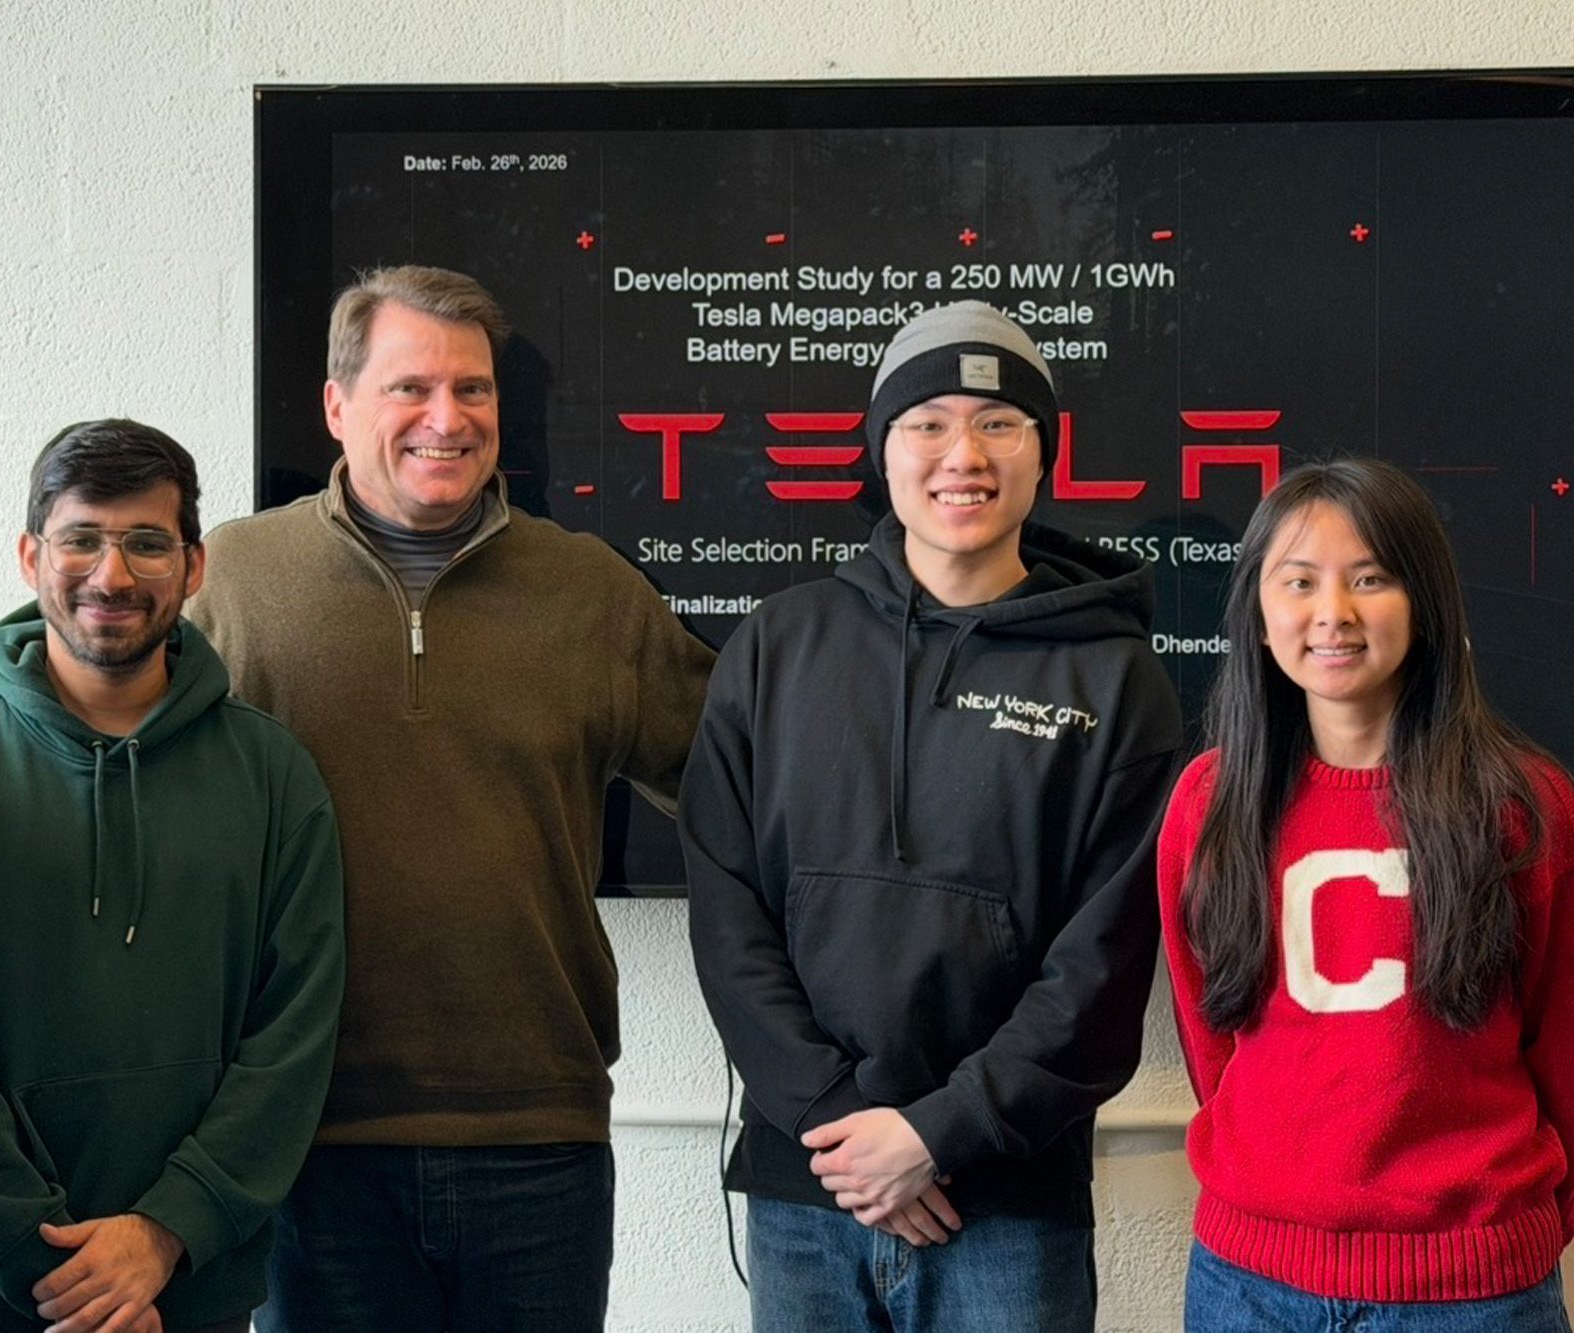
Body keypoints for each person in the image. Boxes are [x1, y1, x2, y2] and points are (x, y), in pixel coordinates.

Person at [187, 265, 714, 1332]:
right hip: (301, 1139)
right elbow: (108, 765)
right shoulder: (232, 579)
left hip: (538, 1137)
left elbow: (751, 791)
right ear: (337, 408)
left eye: (472, 390)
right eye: (409, 388)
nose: (448, 418)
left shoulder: (590, 592)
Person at [681, 301, 1183, 1332]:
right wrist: (839, 1124)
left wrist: (936, 1134)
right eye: (927, 423)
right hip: (808, 1189)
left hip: (1008, 1205)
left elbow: (1101, 962)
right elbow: (726, 911)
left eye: (998, 423)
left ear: (1044, 453)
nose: (963, 454)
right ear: (882, 449)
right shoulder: (777, 644)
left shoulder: (1114, 676)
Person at [0, 420, 345, 1333]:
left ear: (193, 567)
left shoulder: (276, 777)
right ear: (33, 555)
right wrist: (64, 1279)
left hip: (186, 1289)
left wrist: (162, 1236)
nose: (111, 575)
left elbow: (293, 1039)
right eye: (82, 538)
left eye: (147, 543)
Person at [1158, 458, 1574, 1331]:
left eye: (1371, 579)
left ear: (1423, 602)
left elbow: (1562, 1036)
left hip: (1473, 1289)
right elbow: (1210, 1033)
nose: (1332, 615)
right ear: (1259, 613)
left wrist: (1511, 1228)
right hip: (1249, 1283)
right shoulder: (1210, 802)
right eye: (1299, 581)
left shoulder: (1521, 805)